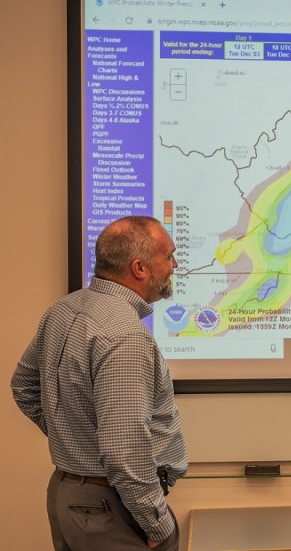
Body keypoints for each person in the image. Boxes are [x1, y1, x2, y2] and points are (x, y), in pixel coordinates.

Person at [11, 216, 188, 550]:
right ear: (140, 268)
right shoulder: (124, 335)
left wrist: (76, 437)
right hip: (111, 508)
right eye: (169, 256)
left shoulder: (63, 309)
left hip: (69, 496)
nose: (174, 265)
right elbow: (126, 449)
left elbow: (23, 385)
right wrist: (159, 525)